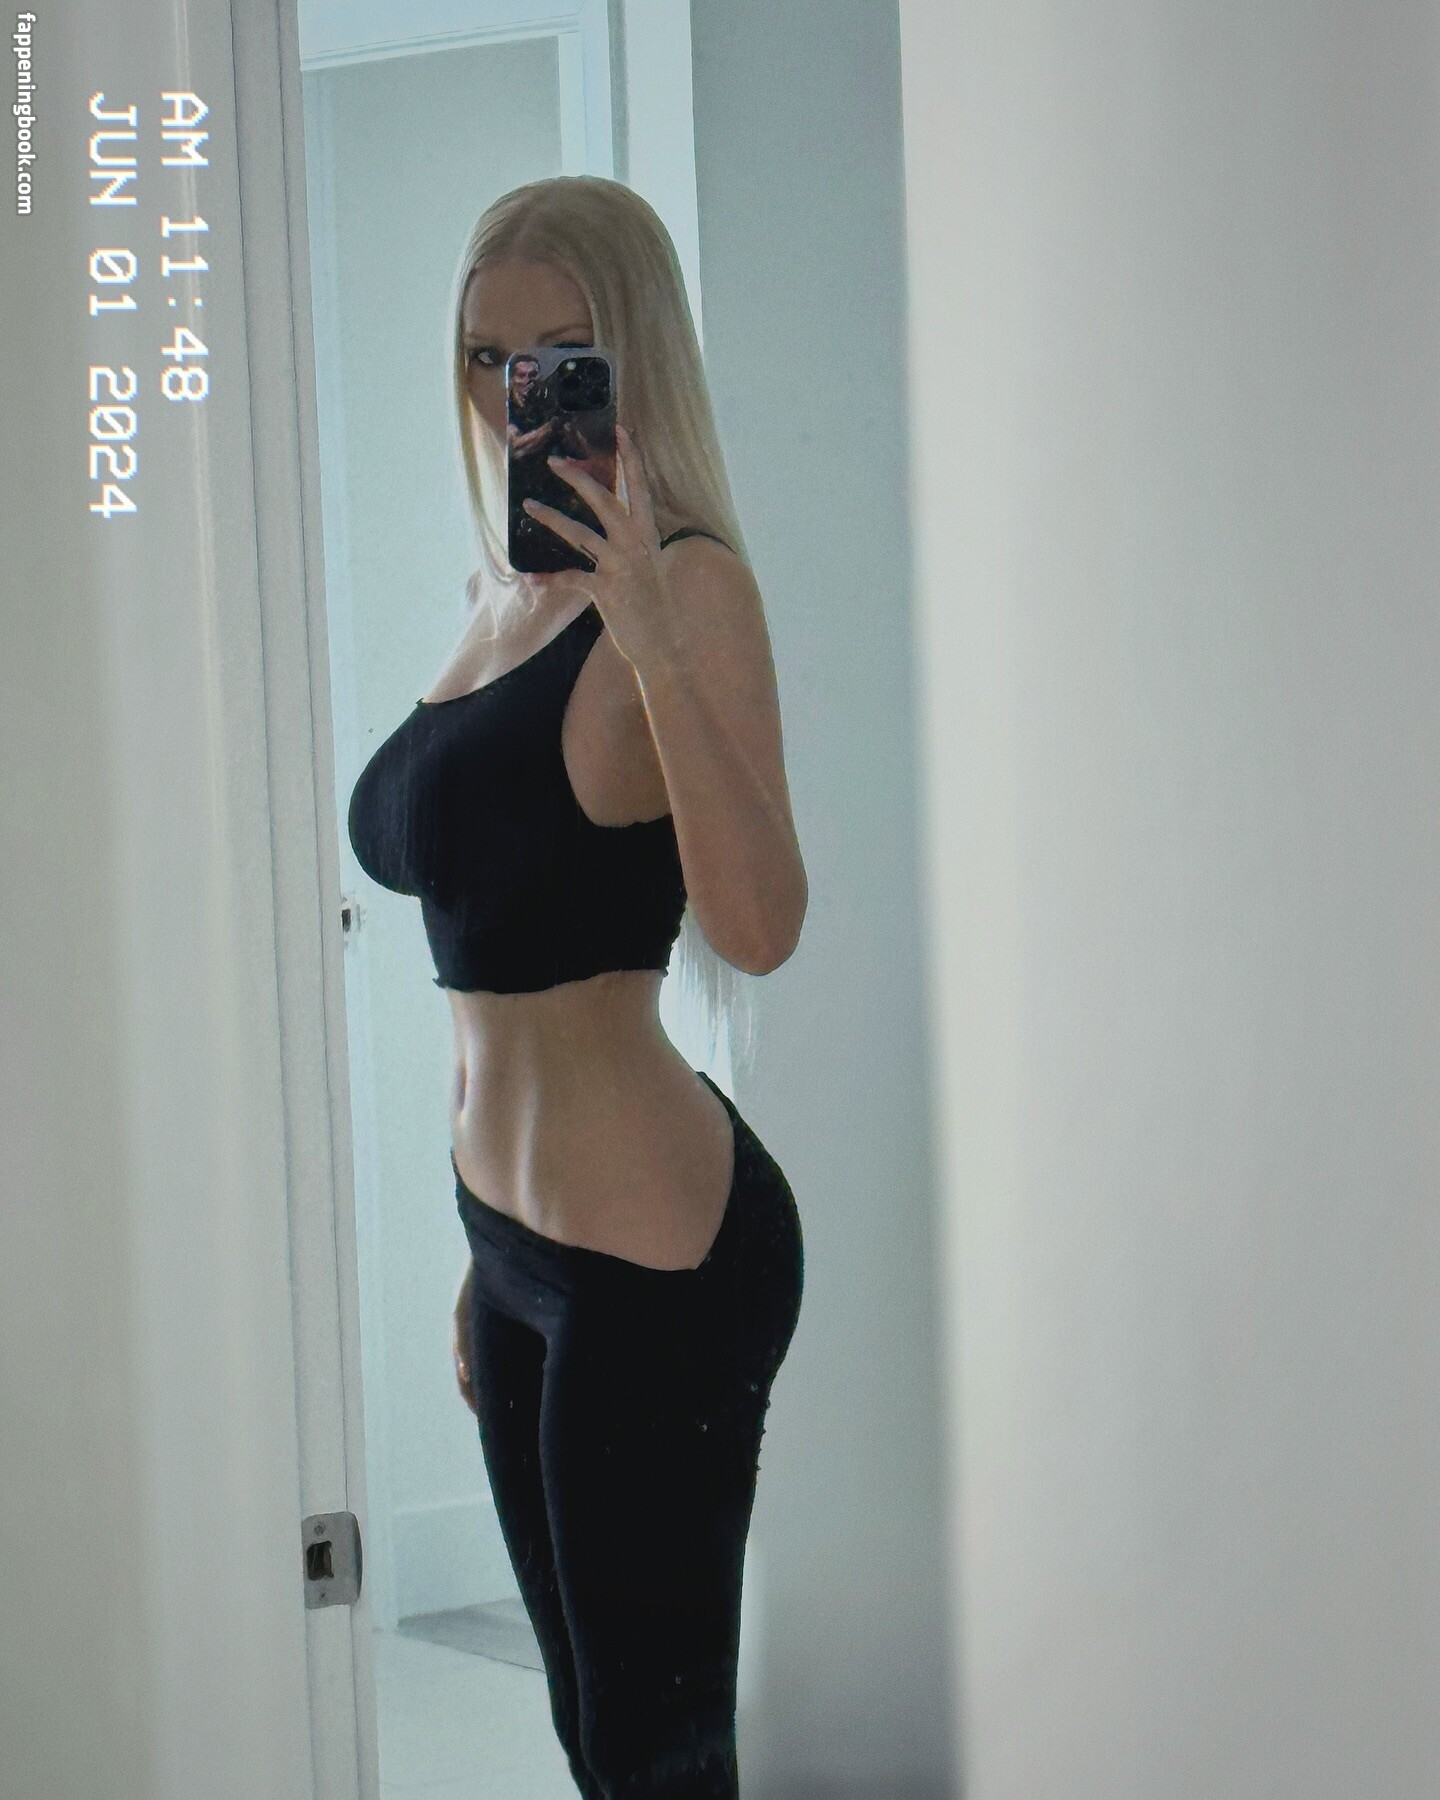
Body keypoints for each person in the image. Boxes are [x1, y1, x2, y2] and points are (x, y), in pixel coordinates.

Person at [346, 174, 808, 1798]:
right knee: (590, 1738)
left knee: (654, 1758)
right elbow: (477, 945)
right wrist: (484, 1260)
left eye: (556, 354)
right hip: (516, 1245)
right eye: (486, 356)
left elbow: (762, 925)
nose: (512, 395)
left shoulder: (686, 588)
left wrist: (657, 644)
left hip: (652, 1261)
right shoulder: (491, 599)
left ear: (632, 357)